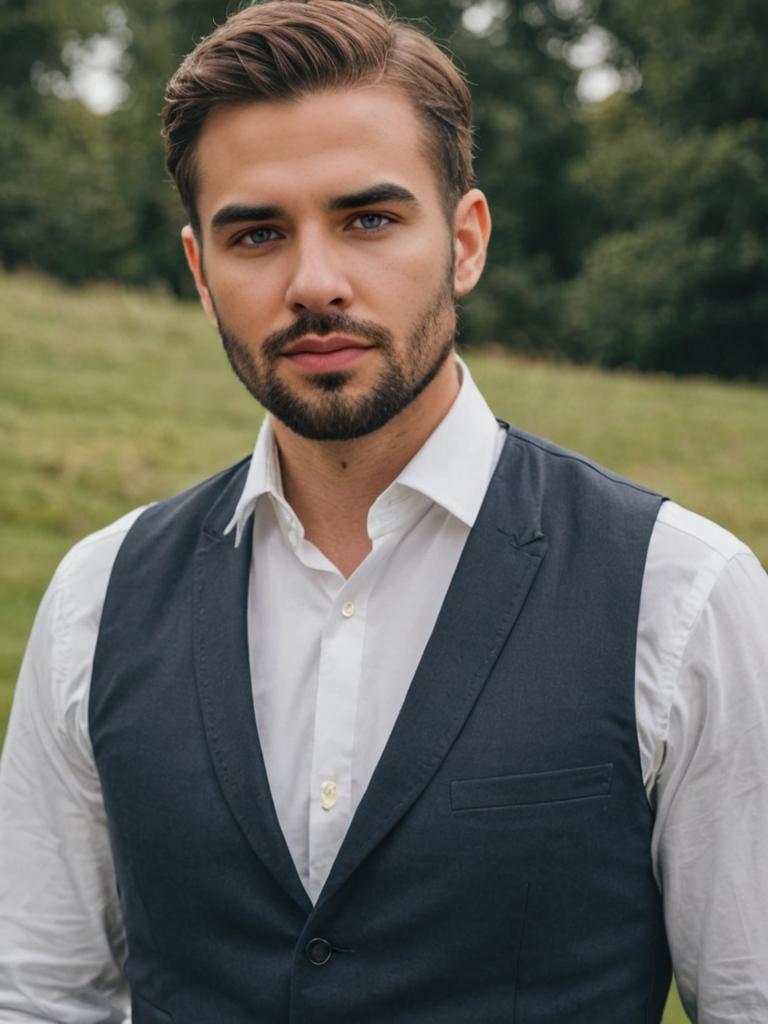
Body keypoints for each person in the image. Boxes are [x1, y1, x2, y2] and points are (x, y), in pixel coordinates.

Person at [1, 1, 766, 1020]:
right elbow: (41, 996)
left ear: (466, 240)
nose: (315, 282)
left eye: (369, 219)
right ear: (199, 273)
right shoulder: (97, 601)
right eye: (258, 232)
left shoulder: (681, 592)